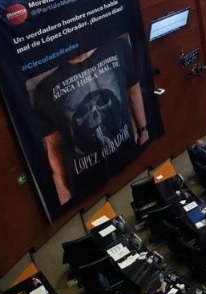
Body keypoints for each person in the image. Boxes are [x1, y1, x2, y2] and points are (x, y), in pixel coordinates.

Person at [32, 36, 149, 206]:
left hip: (126, 154)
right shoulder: (46, 89)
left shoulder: (118, 47)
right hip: (86, 180)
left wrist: (143, 129)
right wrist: (63, 187)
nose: (95, 114)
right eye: (83, 112)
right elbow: (53, 144)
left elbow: (133, 89)